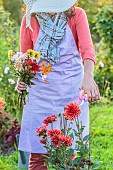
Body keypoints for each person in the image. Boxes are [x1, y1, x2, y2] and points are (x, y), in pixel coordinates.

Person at [16, 0, 101, 169]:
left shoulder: (77, 15)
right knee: (38, 153)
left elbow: (87, 50)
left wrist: (89, 77)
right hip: (40, 92)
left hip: (70, 89)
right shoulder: (29, 20)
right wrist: (22, 78)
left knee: (70, 150)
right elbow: (26, 57)